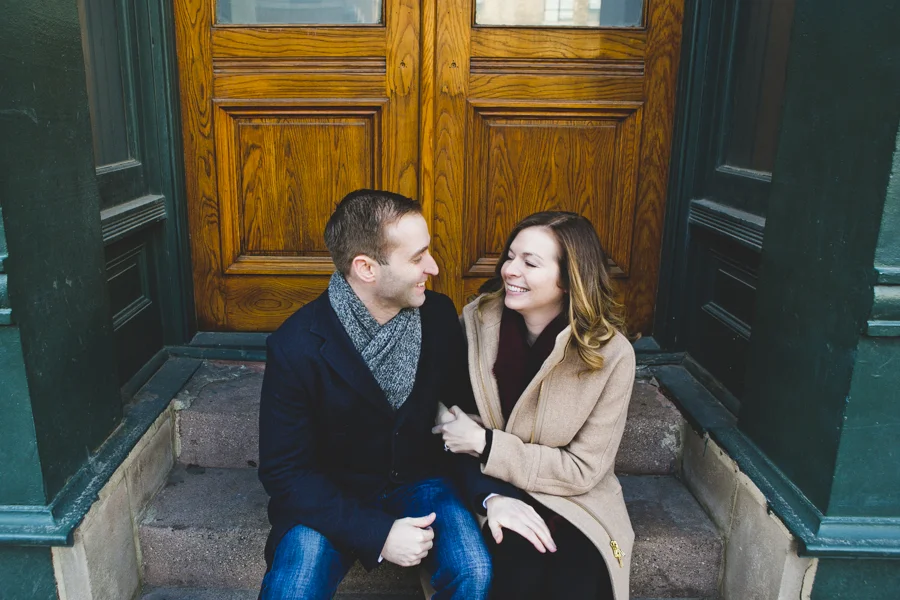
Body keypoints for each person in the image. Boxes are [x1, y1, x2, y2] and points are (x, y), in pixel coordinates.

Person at [258, 189, 491, 600]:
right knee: (292, 591)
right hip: (330, 493)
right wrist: (378, 533)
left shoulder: (437, 316)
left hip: (422, 480)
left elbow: (461, 418)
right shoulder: (296, 345)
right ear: (366, 268)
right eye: (417, 258)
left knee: (474, 570)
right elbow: (285, 473)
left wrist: (489, 496)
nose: (434, 267)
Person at [433, 211, 636, 600]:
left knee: (577, 578)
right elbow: (453, 425)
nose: (510, 270)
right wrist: (490, 487)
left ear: (568, 279)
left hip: (572, 497)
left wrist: (487, 444)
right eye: (511, 257)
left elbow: (583, 469)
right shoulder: (477, 323)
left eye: (530, 263)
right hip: (490, 485)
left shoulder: (610, 355)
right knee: (514, 569)